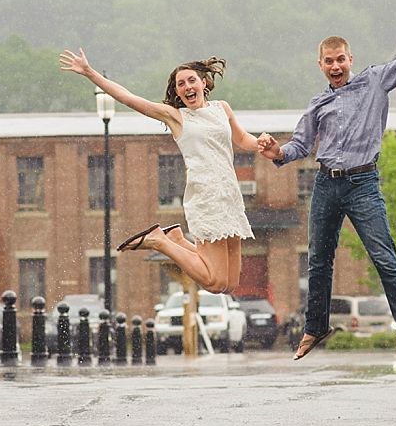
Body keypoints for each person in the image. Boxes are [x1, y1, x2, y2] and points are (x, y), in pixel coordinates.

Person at [258, 0, 396, 364]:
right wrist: (277, 152)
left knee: (384, 257)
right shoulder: (317, 104)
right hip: (326, 183)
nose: (336, 66)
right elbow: (300, 145)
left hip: (362, 183)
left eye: (341, 60)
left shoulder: (374, 81)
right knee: (318, 261)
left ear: (350, 60)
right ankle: (315, 326)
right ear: (320, 65)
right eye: (329, 61)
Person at [59, 48, 257, 294]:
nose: (186, 87)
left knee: (230, 283)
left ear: (204, 82)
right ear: (177, 92)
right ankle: (160, 241)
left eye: (191, 80)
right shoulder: (176, 117)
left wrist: (264, 145)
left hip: (231, 197)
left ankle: (177, 240)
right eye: (180, 84)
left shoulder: (221, 109)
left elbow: (242, 138)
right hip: (207, 198)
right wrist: (90, 73)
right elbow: (129, 99)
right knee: (215, 283)